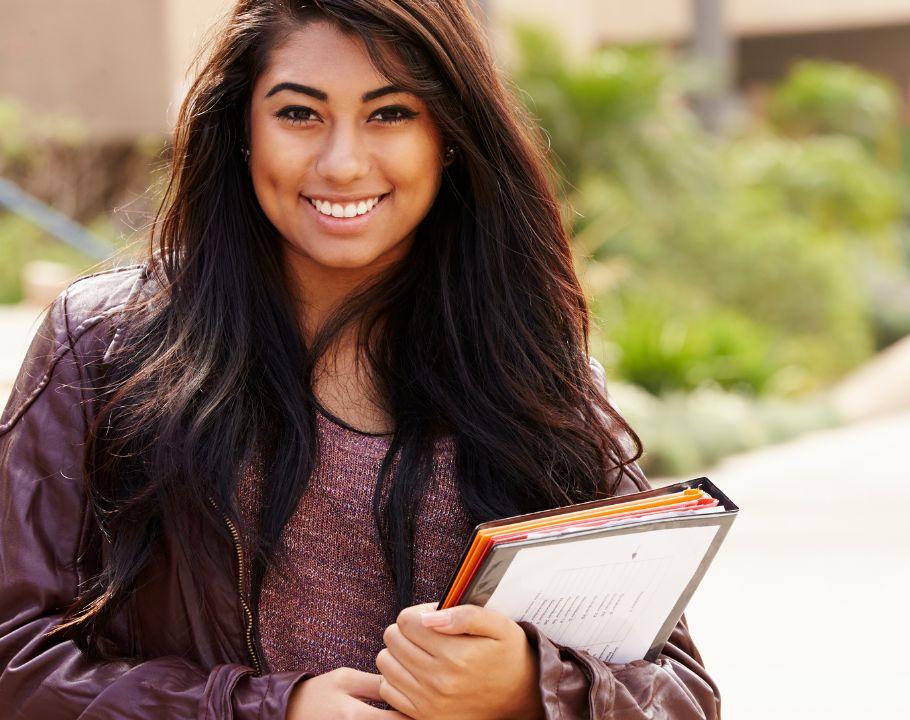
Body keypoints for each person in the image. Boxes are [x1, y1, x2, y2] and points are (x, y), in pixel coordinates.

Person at [0, 1, 719, 718]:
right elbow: (14, 661)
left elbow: (681, 695)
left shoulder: (530, 369)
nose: (342, 163)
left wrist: (529, 687)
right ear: (243, 130)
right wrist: (276, 710)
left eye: (391, 114)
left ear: (449, 136)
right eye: (299, 114)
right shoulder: (107, 345)